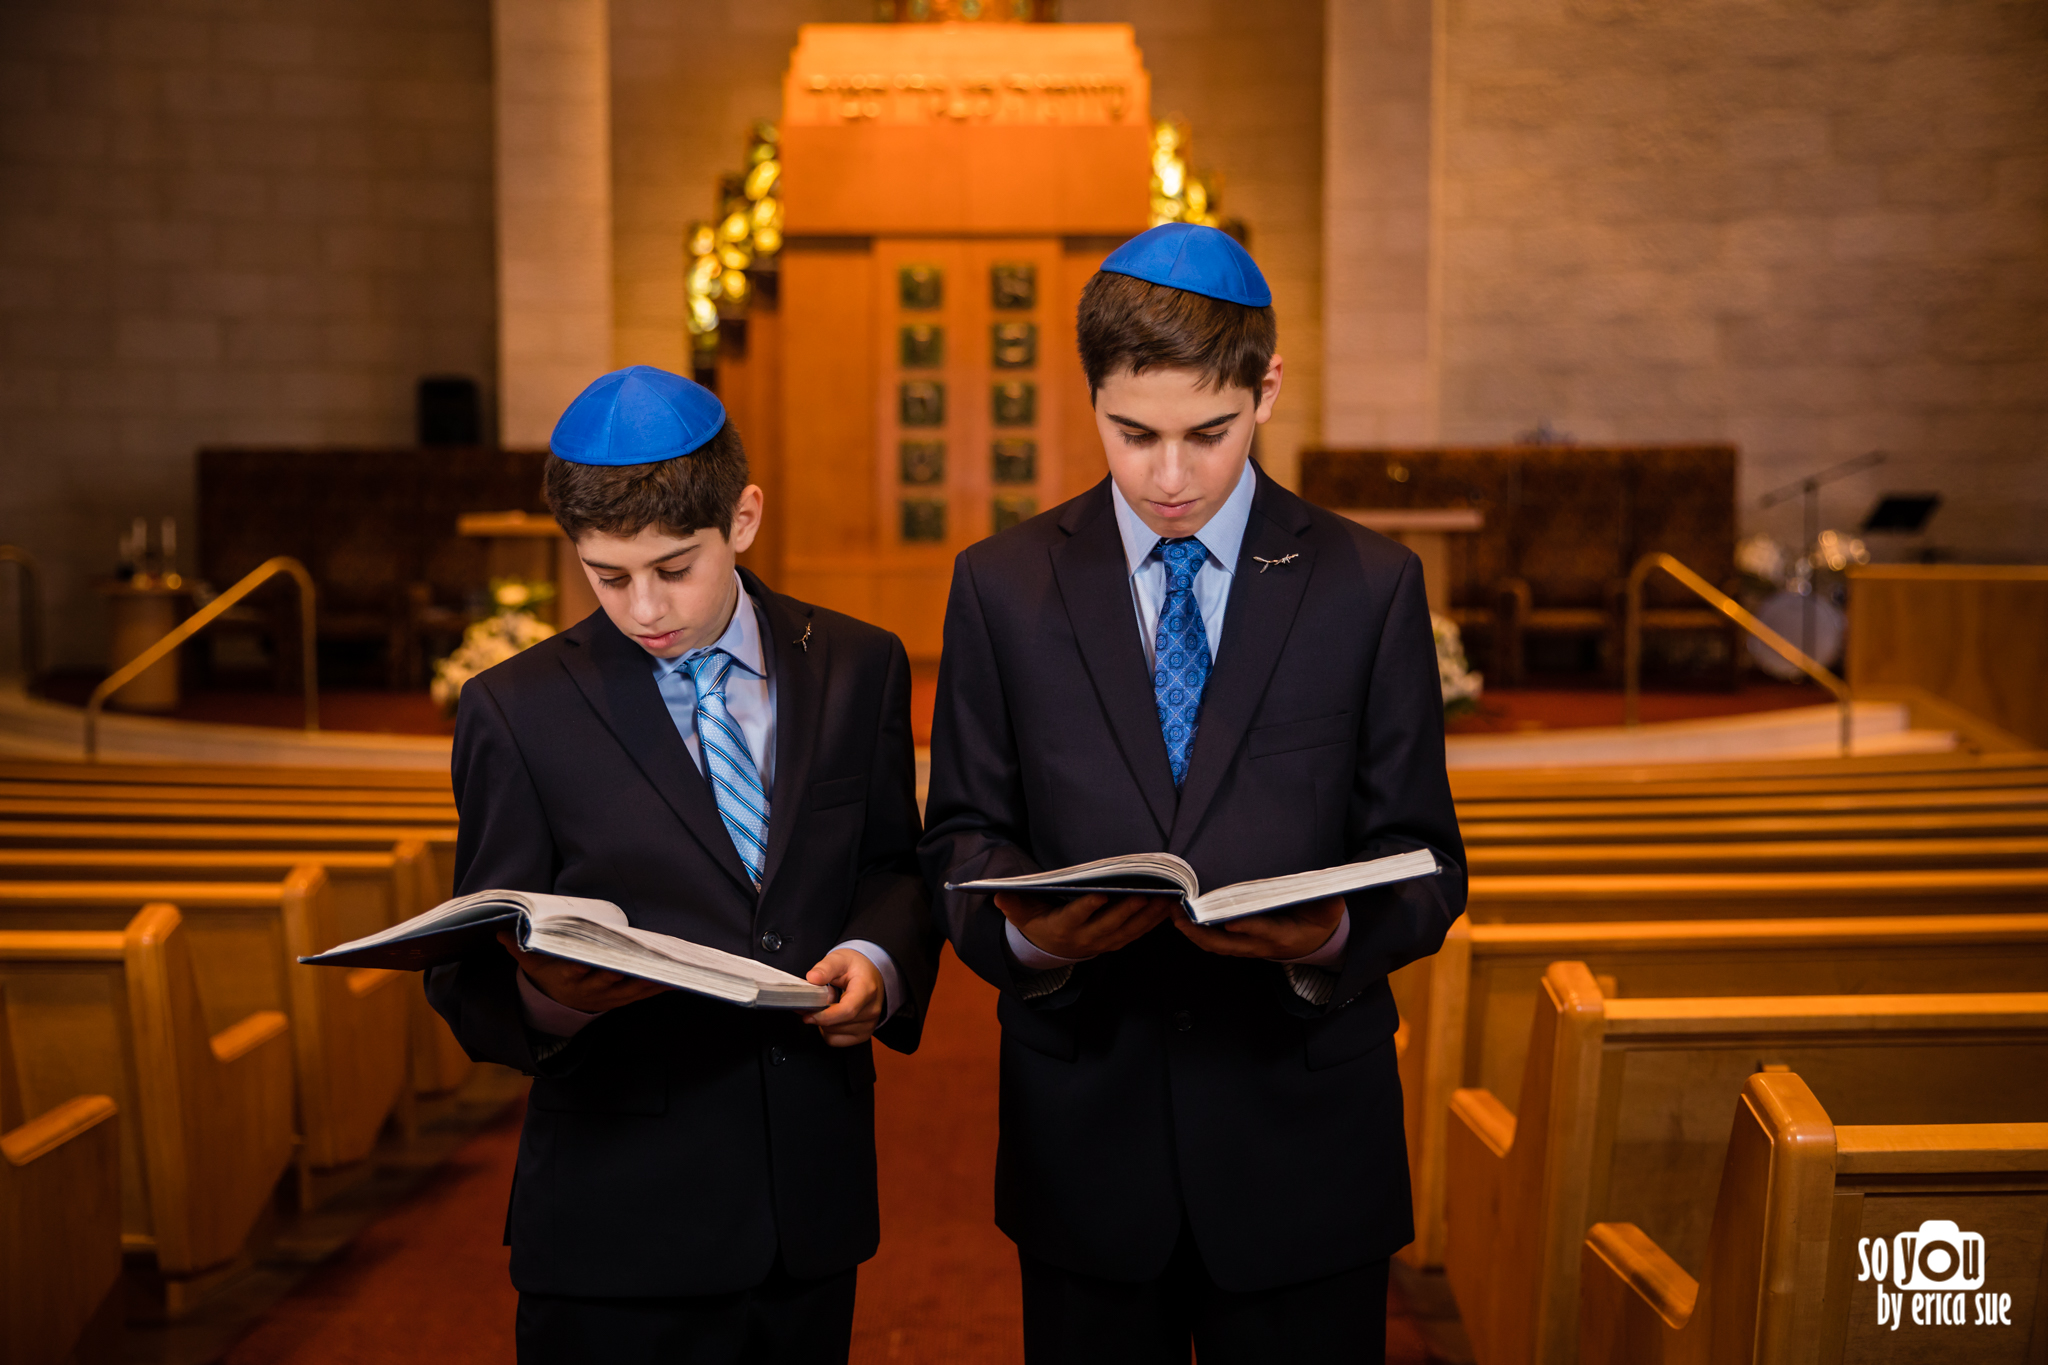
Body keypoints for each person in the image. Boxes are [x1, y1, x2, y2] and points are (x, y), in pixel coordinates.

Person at [918, 223, 1468, 1364]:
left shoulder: (1366, 585)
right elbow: (961, 840)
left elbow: (1426, 861)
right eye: (1133, 435)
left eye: (1206, 435)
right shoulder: (1002, 587)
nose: (1169, 477)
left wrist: (1330, 934)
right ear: (1093, 401)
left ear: (1265, 389)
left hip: (1301, 1135)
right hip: (1085, 1134)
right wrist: (1032, 946)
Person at [428, 364, 938, 1364]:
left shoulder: (856, 665)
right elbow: (465, 970)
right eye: (607, 577)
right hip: (616, 1218)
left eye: (674, 567)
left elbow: (895, 865)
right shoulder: (516, 711)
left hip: (806, 1201)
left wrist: (877, 959)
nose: (645, 608)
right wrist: (556, 999)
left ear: (741, 519)